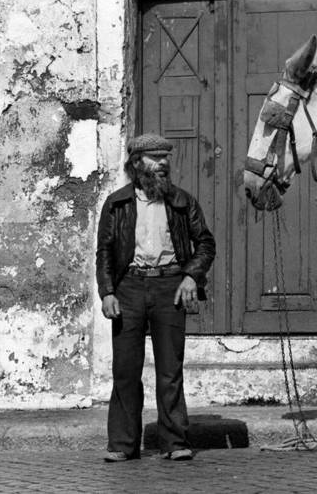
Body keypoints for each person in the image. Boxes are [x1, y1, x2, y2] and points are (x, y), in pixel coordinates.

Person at [96, 133, 215, 462]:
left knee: (170, 369)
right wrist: (107, 292)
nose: (163, 163)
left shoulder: (182, 202)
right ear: (137, 164)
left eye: (165, 158)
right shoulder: (117, 203)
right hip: (129, 289)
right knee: (125, 370)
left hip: (169, 287)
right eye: (154, 158)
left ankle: (175, 443)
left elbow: (205, 243)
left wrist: (192, 275)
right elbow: (104, 251)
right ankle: (122, 445)